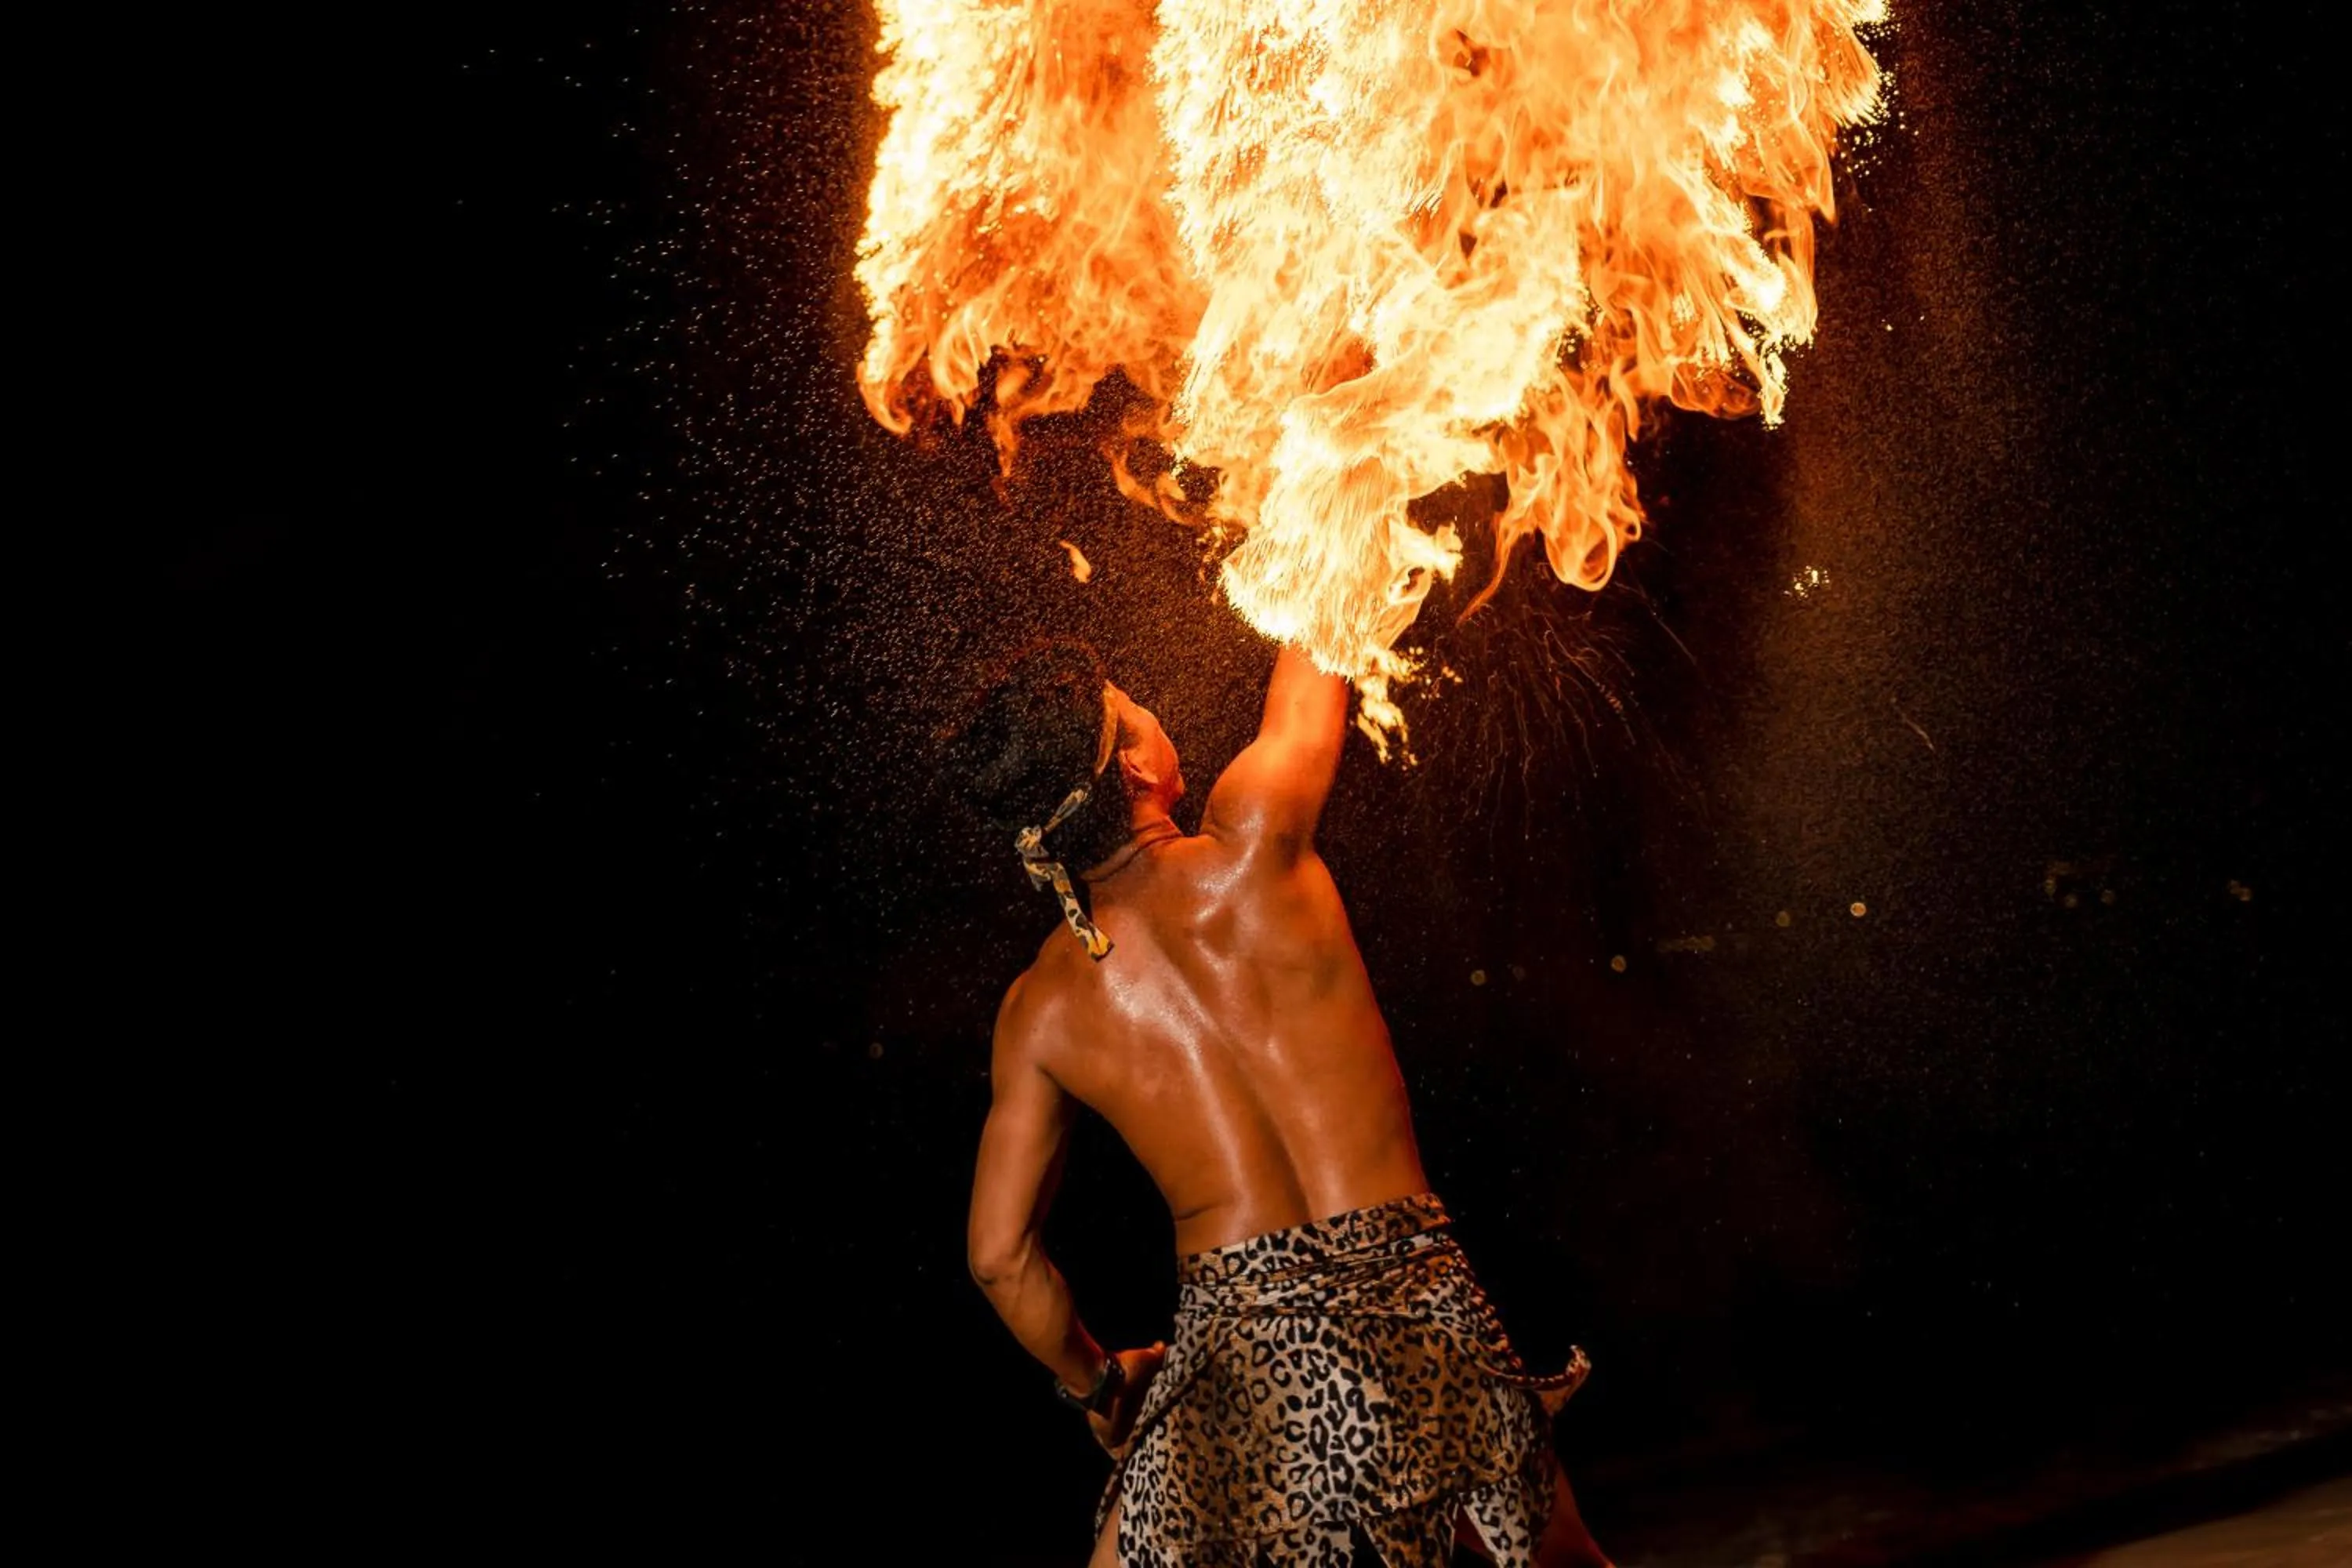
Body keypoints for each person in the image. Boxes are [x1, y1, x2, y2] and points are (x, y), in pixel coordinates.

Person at [949, 639, 1608, 1568]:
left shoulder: (1040, 1009)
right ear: (1135, 763)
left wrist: (1102, 1386)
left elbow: (999, 1257)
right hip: (1416, 1303)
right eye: (1132, 704)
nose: (1151, 710)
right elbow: (1325, 614)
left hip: (1241, 1359)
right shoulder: (1258, 831)